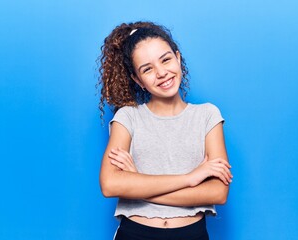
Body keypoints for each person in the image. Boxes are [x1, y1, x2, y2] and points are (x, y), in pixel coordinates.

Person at [98, 21, 233, 240]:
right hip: (135, 233)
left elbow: (218, 192)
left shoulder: (207, 115)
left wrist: (139, 183)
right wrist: (190, 178)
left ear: (178, 59)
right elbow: (110, 185)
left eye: (166, 60)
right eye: (147, 69)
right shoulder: (127, 117)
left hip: (191, 234)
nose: (161, 73)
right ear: (137, 80)